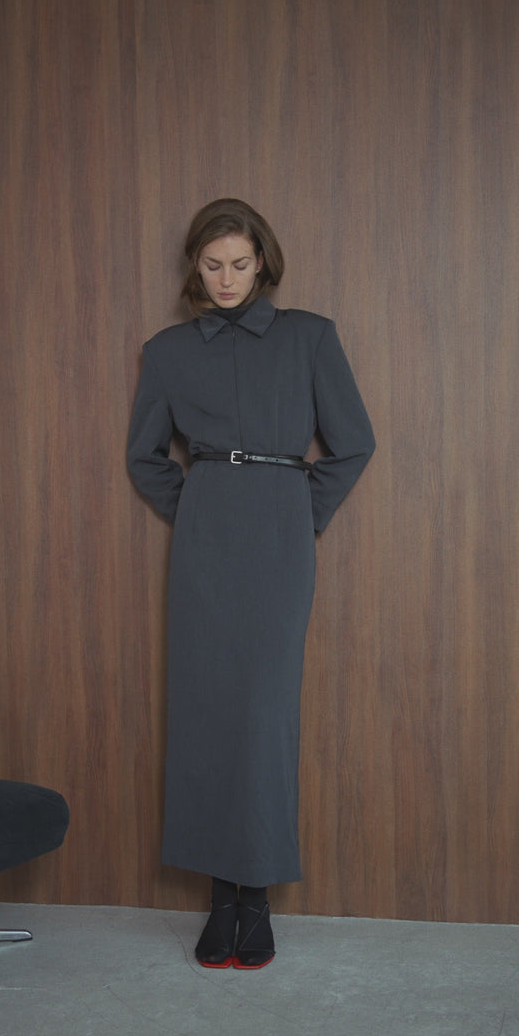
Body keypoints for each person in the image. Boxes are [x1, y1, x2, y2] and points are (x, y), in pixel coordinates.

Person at [127, 199, 375, 969]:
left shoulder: (310, 336)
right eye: (212, 265)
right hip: (206, 538)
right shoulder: (168, 351)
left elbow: (353, 442)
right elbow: (144, 457)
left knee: (264, 712)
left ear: (261, 261)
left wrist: (301, 513)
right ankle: (218, 899)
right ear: (195, 268)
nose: (227, 278)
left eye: (239, 263)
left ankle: (256, 894)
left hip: (278, 534)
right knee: (204, 709)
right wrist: (196, 509)